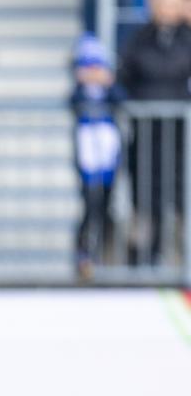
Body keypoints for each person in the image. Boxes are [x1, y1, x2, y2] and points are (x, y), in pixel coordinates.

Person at [118, 0, 191, 265]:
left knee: (181, 192)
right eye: (162, 3)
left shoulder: (186, 39)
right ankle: (144, 261)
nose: (167, 10)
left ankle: (181, 259)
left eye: (173, 4)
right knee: (146, 196)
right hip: (146, 132)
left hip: (181, 134)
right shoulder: (138, 39)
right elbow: (125, 77)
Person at [71, 35, 127, 279]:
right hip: (88, 154)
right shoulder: (80, 92)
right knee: (89, 205)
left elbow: (122, 98)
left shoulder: (109, 89)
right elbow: (72, 101)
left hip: (107, 152)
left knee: (106, 204)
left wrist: (109, 84)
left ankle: (106, 254)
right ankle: (84, 255)